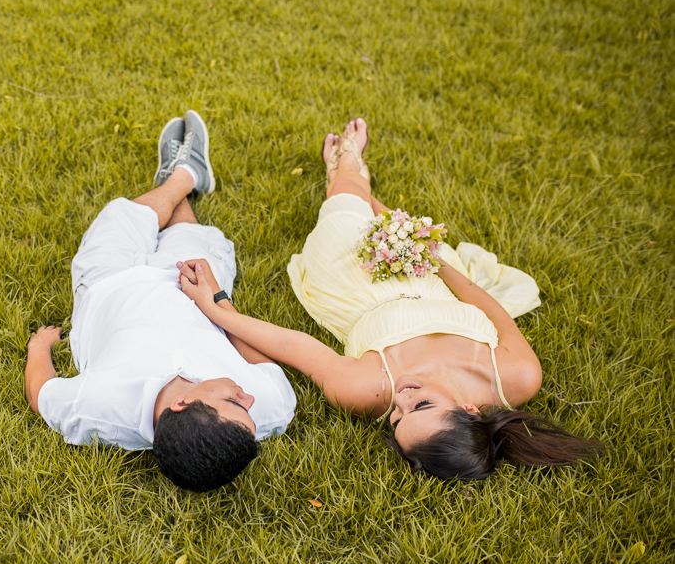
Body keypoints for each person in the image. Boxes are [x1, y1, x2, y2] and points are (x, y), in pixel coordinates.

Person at [177, 117, 602, 480]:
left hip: (353, 282)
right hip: (426, 272)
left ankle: (346, 169)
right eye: (420, 405)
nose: (399, 400)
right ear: (470, 409)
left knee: (344, 204)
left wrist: (216, 306)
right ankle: (354, 182)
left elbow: (294, 345)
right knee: (367, 204)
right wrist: (424, 252)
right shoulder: (519, 375)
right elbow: (483, 301)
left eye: (396, 419)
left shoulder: (366, 391)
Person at [24, 111, 297, 492]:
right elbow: (261, 360)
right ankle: (185, 175)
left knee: (119, 217)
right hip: (196, 287)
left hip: (108, 285)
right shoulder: (269, 409)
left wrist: (40, 347)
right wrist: (217, 301)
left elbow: (42, 396)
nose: (247, 396)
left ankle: (180, 175)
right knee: (186, 234)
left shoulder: (100, 409)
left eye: (236, 402)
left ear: (182, 404)